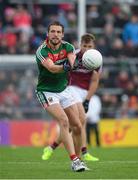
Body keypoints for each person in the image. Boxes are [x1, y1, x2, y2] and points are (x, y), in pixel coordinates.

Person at [35, 21, 87, 172]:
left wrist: (73, 64)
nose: (55, 34)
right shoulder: (42, 51)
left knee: (77, 125)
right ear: (48, 33)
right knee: (64, 121)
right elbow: (51, 68)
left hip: (64, 90)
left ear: (62, 34)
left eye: (58, 32)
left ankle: (78, 161)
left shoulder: (68, 47)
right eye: (53, 31)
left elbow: (71, 59)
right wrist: (66, 67)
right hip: (46, 91)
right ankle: (75, 160)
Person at [42, 33, 101, 162]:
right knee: (81, 121)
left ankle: (51, 147)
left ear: (93, 46)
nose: (86, 48)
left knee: (75, 125)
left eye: (89, 46)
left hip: (84, 92)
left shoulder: (96, 58)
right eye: (84, 45)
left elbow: (95, 81)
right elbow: (64, 70)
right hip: (70, 89)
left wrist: (88, 100)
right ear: (80, 45)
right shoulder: (74, 55)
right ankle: (83, 154)